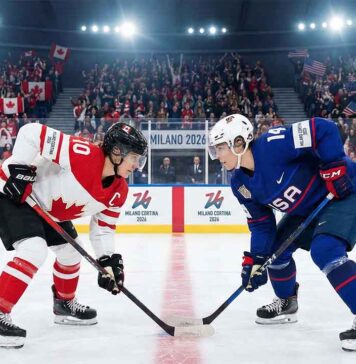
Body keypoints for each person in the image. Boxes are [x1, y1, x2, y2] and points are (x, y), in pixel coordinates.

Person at [208, 113, 356, 351]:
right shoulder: (239, 184)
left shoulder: (273, 144)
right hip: (306, 210)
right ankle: (287, 302)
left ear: (238, 143)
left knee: (325, 250)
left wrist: (335, 164)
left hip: (343, 192)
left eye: (221, 148)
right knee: (274, 253)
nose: (217, 156)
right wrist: (255, 260)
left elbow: (324, 128)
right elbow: (261, 224)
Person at [0, 121, 148, 348]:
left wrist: (107, 260)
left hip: (47, 208)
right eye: (134, 158)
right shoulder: (82, 153)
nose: (137, 165)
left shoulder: (119, 191)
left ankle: (63, 304)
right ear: (117, 152)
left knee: (71, 253)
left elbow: (103, 228)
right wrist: (18, 168)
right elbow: (31, 132)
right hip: (14, 193)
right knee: (33, 249)